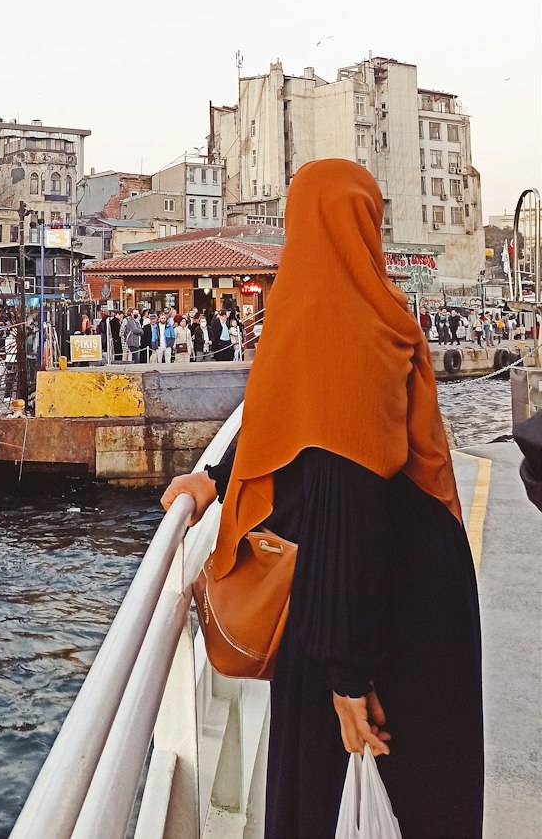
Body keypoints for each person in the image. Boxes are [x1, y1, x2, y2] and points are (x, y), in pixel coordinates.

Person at [161, 159, 483, 839]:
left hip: (364, 594)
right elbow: (282, 417)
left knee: (319, 796)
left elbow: (350, 498)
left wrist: (347, 672)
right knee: (436, 795)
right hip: (419, 585)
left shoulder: (314, 317)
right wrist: (215, 478)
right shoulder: (374, 308)